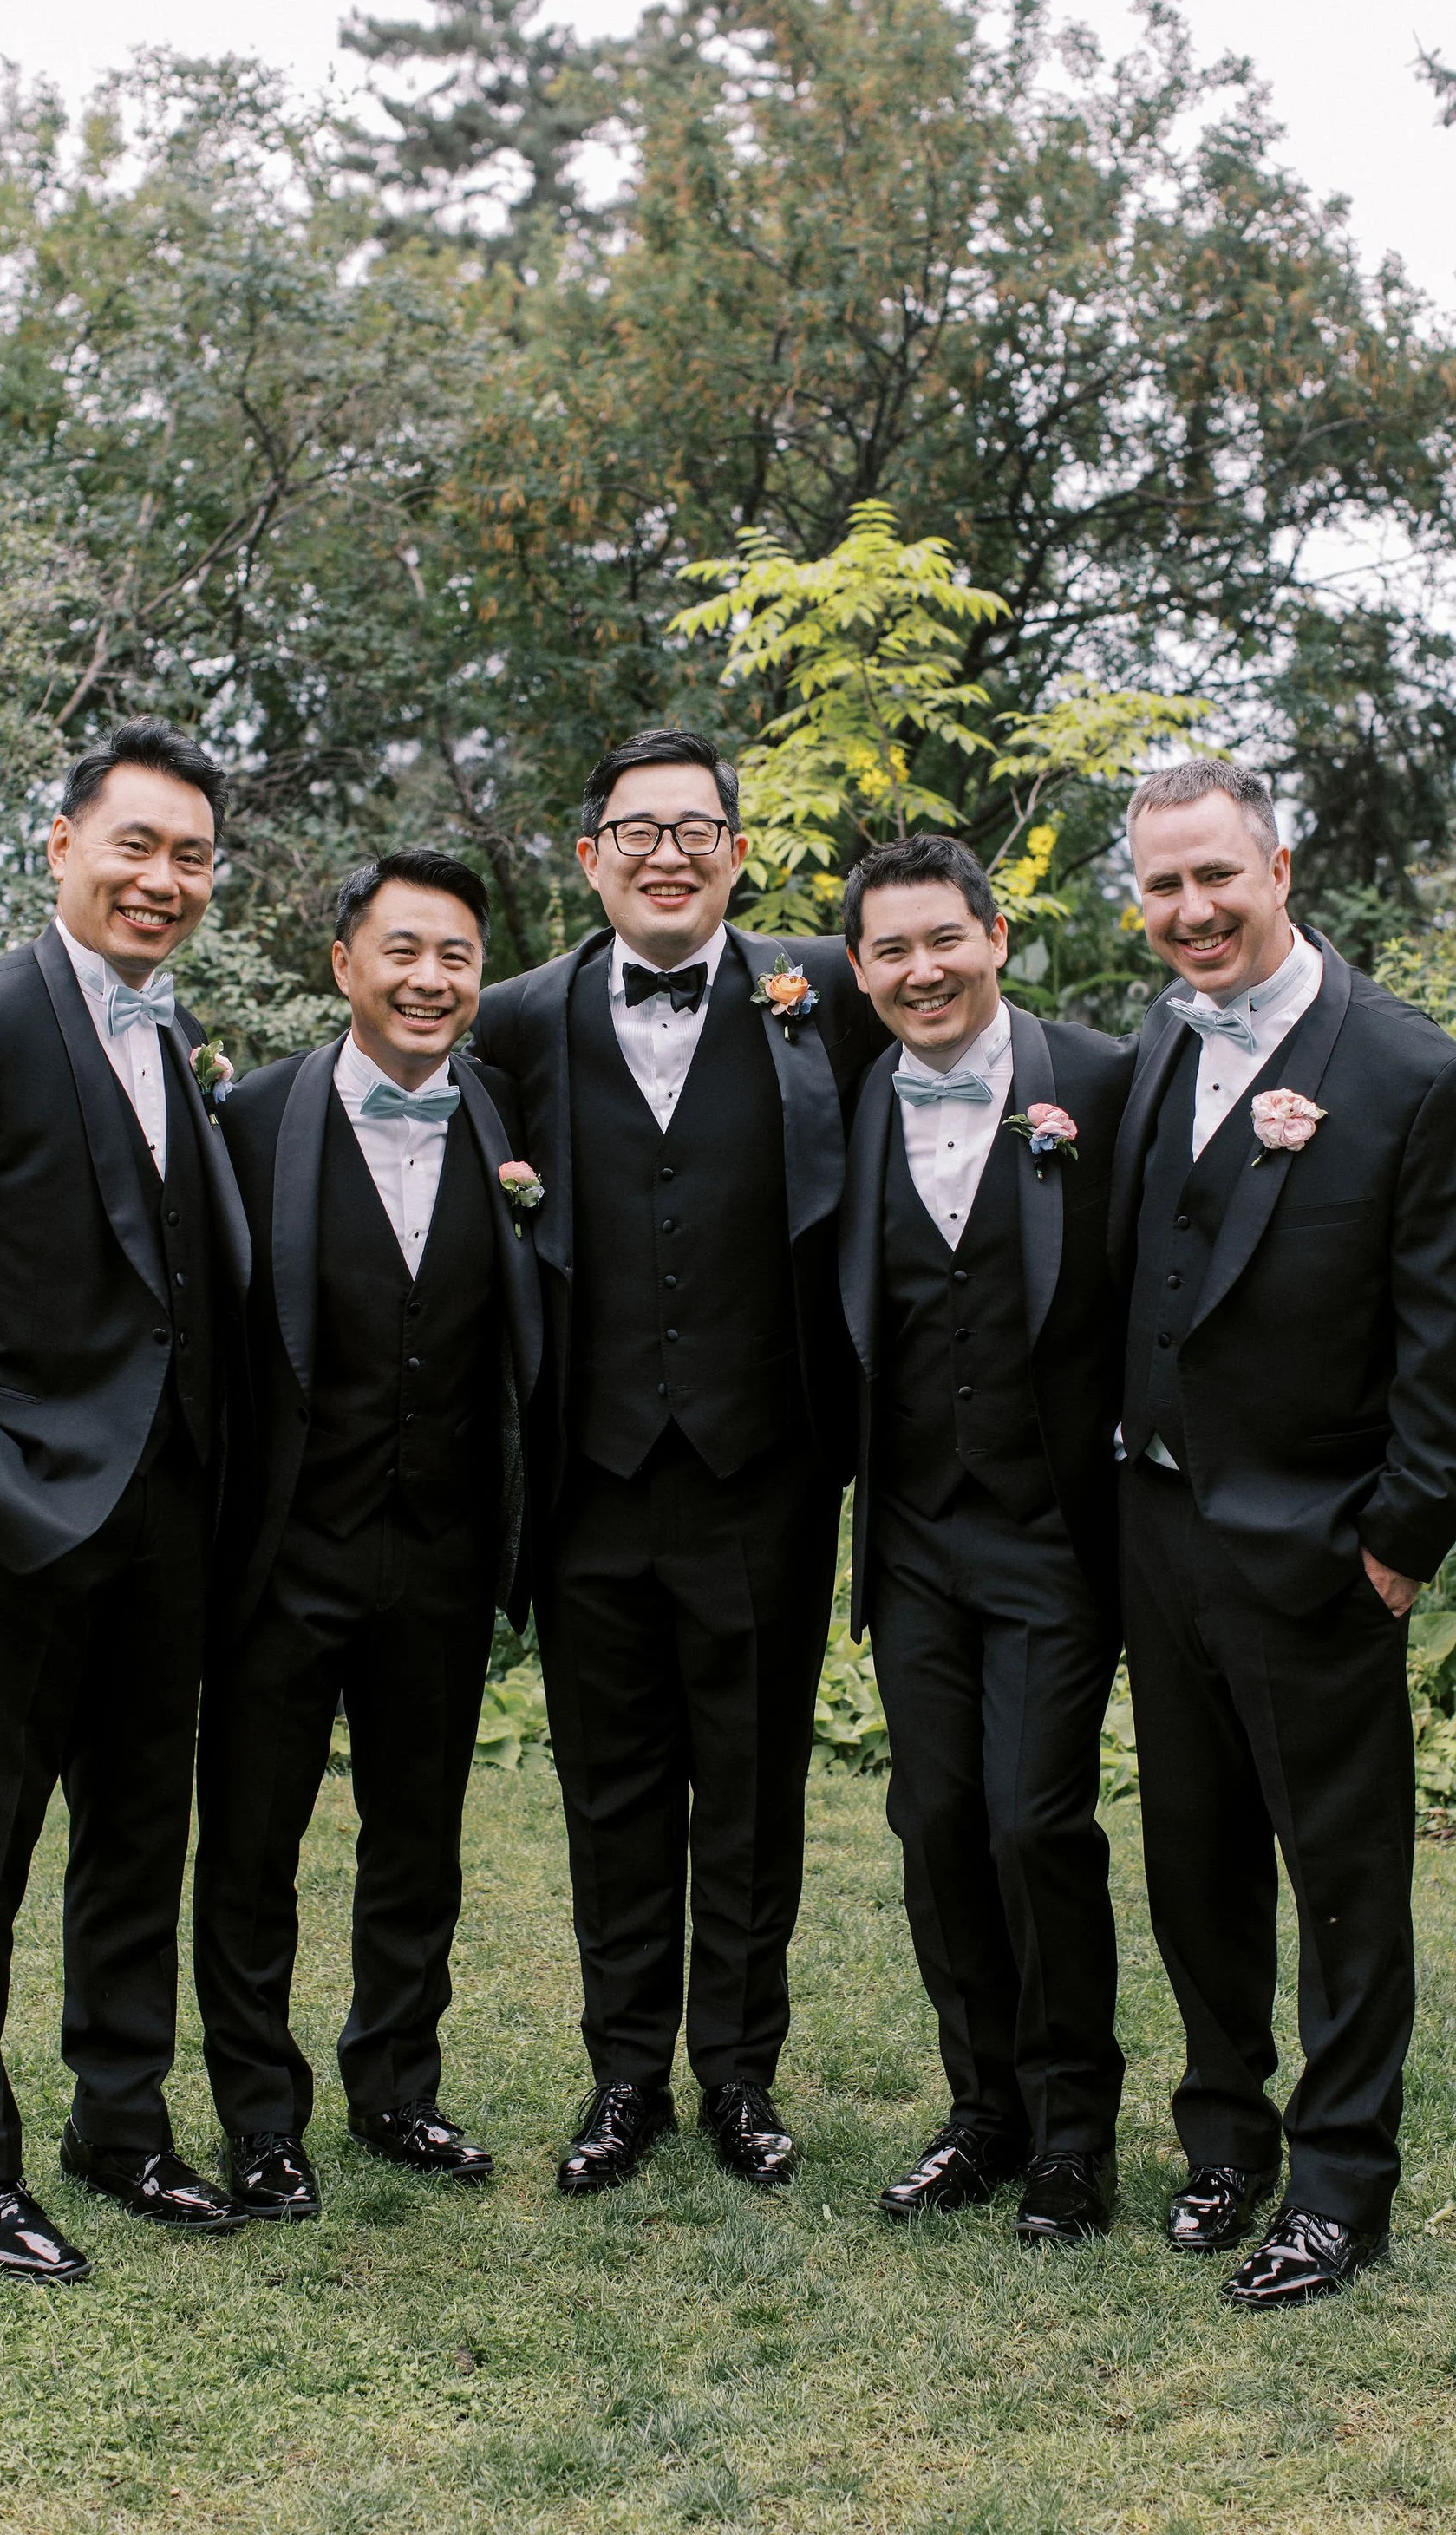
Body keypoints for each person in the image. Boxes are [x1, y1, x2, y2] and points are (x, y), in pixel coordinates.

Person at [0, 716, 251, 2283]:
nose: (164, 879)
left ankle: (119, 2122)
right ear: (62, 843)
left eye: (192, 856)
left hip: (168, 1520)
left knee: (141, 1830)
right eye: (137, 844)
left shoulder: (172, 1029)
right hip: (17, 1516)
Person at [1113, 754, 1456, 2306]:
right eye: (1163, 885)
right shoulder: (1154, 1042)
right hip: (1157, 1532)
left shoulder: (1410, 1073)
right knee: (1193, 1860)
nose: (1192, 910)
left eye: (1217, 874)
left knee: (1343, 1880)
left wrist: (1398, 1541)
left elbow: (1455, 1349)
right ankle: (1227, 2139)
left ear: (1280, 865)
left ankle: (1341, 2184)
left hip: (1322, 1548)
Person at [472, 727, 885, 2192]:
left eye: (694, 829)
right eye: (634, 830)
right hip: (588, 1479)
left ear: (736, 852)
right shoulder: (513, 1018)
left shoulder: (821, 995)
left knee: (755, 1785)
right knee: (613, 1787)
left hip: (764, 1472)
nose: (665, 853)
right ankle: (623, 2074)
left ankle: (740, 2074)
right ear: (589, 857)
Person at [192, 850, 541, 2217]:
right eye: (402, 950)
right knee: (252, 1844)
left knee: (419, 1837)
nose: (429, 978)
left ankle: (397, 2085)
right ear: (345, 966)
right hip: (284, 1552)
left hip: (441, 1553)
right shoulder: (252, 1117)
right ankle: (260, 2116)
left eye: (455, 955)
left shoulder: (503, 1117)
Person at [839, 834, 1133, 2245]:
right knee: (935, 1819)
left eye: (942, 938)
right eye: (890, 950)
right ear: (858, 971)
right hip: (908, 1536)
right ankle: (984, 2111)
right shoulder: (833, 1095)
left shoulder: (1106, 1083)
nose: (921, 969)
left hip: (1053, 1533)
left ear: (997, 935)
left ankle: (1076, 2130)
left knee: (1036, 1822)